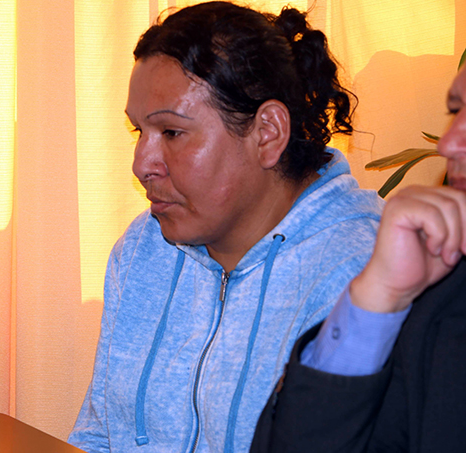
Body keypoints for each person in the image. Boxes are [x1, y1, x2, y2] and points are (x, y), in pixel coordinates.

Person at [68, 2, 383, 452]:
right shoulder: (142, 249)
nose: (142, 165)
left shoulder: (363, 274)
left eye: (171, 133)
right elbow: (100, 435)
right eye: (139, 132)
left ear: (267, 132)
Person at [250, 67, 466, 452]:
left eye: (172, 132)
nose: (448, 144)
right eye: (455, 111)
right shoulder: (440, 297)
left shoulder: (345, 242)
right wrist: (377, 297)